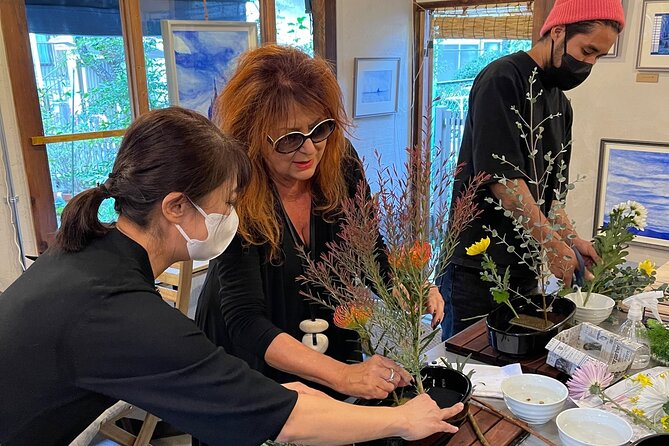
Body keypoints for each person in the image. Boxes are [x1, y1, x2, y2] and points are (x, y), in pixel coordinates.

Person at [0, 107, 463, 446]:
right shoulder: (123, 314)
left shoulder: (86, 251)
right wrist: (402, 420)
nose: (234, 215)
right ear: (177, 207)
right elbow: (281, 418)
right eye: (229, 202)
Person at [195, 45, 446, 401]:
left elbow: (370, 250)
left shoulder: (340, 163)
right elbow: (247, 322)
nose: (310, 149)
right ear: (252, 136)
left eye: (320, 129)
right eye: (289, 139)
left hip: (321, 328)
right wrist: (344, 375)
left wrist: (407, 286)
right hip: (248, 348)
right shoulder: (237, 189)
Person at [438, 0, 624, 339]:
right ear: (558, 31)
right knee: (467, 359)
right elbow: (504, 182)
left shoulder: (560, 104)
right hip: (478, 264)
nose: (588, 64)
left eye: (598, 57)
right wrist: (553, 246)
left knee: (511, 369)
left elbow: (550, 198)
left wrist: (571, 239)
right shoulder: (502, 79)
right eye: (587, 50)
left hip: (522, 265)